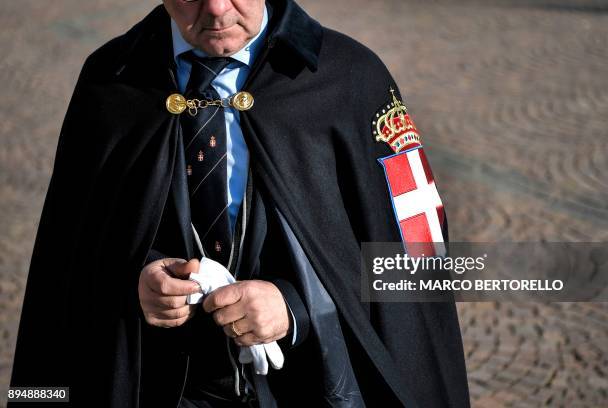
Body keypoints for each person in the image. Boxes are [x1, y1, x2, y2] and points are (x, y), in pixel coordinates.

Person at [10, 0, 470, 407]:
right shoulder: (110, 80)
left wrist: (297, 306)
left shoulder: (351, 77)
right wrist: (138, 275)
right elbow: (68, 253)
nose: (215, 10)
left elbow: (421, 259)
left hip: (308, 385)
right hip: (155, 384)